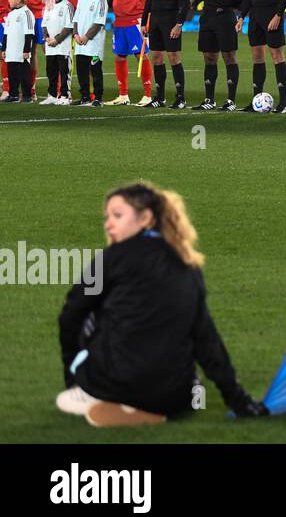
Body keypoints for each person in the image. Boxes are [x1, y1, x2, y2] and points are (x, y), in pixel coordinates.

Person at [56, 182, 267, 426]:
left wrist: (73, 377)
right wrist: (238, 400)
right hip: (177, 396)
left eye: (117, 215)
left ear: (145, 218)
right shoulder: (189, 264)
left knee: (87, 316)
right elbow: (206, 339)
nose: (108, 223)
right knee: (191, 371)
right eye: (107, 217)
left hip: (111, 384)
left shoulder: (110, 258)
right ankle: (156, 406)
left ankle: (91, 393)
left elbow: (70, 315)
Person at [196, 0, 244, 111]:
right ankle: (209, 99)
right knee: (209, 57)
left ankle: (231, 100)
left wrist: (230, 8)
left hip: (225, 17)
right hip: (207, 18)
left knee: (229, 56)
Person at [142, 0, 188, 109]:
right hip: (155, 21)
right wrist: (143, 20)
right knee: (156, 58)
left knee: (174, 58)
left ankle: (181, 97)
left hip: (171, 20)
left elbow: (185, 2)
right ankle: (159, 97)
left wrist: (179, 24)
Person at [108, 0, 153, 106]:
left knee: (140, 54)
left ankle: (147, 95)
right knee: (119, 55)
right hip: (119, 20)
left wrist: (148, 19)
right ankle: (123, 95)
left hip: (136, 19)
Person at [11, 0, 53, 98]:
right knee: (29, 50)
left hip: (44, 14)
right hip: (28, 15)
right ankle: (32, 89)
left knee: (48, 50)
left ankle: (56, 89)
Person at [72, 0, 108, 107]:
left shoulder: (101, 0)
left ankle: (98, 97)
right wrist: (75, 34)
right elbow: (75, 19)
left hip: (94, 44)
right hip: (80, 42)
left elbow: (99, 22)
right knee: (81, 71)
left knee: (95, 71)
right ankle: (85, 96)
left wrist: (87, 36)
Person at [41, 0, 74, 105]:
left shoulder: (68, 6)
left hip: (62, 47)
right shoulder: (49, 5)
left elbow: (69, 26)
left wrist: (57, 39)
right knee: (51, 71)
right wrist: (47, 38)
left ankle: (65, 96)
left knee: (64, 72)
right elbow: (44, 24)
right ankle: (52, 95)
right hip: (50, 46)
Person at [2, 0, 35, 102]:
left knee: (24, 74)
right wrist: (4, 48)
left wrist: (27, 50)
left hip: (21, 52)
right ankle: (13, 94)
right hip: (11, 51)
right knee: (12, 74)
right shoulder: (11, 14)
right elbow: (6, 33)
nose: (8, 1)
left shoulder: (27, 13)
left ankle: (27, 95)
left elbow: (29, 33)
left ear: (18, 0)